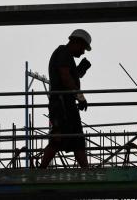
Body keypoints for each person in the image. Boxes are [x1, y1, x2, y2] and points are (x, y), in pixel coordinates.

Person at [39, 29, 92, 168]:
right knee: (59, 137)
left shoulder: (66, 56)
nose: (83, 52)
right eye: (83, 48)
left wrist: (80, 70)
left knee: (76, 139)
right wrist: (80, 97)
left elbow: (69, 76)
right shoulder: (63, 53)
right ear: (76, 42)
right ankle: (41, 170)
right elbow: (65, 77)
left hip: (65, 103)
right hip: (62, 104)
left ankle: (86, 172)